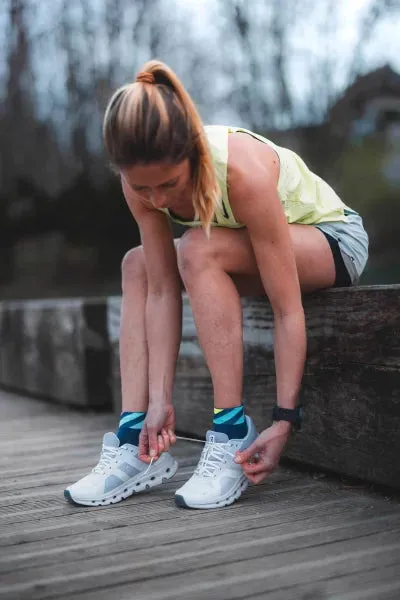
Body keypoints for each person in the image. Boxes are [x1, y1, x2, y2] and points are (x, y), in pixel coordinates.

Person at [64, 60, 369, 509]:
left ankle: (229, 431)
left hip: (332, 241)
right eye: (142, 188)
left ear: (192, 151)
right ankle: (134, 440)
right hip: (250, 254)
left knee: (196, 248)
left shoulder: (240, 173)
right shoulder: (139, 181)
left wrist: (285, 419)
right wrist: (157, 401)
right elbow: (164, 290)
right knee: (138, 266)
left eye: (168, 184)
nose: (158, 200)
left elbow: (287, 309)